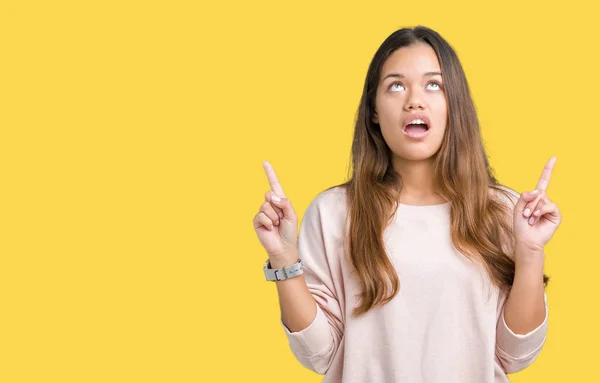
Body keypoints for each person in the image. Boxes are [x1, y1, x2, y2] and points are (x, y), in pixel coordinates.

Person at [252, 25, 561, 383]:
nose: (415, 100)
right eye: (396, 85)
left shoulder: (503, 210)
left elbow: (516, 354)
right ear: (374, 112)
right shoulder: (333, 212)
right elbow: (319, 354)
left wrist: (530, 250)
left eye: (434, 84)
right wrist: (283, 258)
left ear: (454, 104)